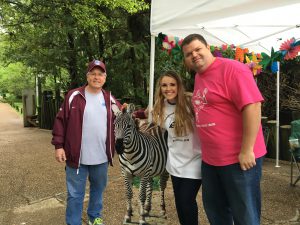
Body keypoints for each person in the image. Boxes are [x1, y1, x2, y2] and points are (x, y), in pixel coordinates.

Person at [181, 34, 267, 225]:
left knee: (245, 216)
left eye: (197, 49)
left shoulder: (233, 69)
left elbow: (252, 106)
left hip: (239, 160)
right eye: (189, 54)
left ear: (208, 48)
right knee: (217, 213)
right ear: (186, 60)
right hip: (211, 161)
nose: (194, 55)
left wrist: (247, 150)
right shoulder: (199, 76)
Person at [51, 59, 121, 225]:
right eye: (93, 74)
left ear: (105, 77)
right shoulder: (74, 96)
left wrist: (142, 114)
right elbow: (60, 121)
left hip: (101, 157)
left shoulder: (110, 98)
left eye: (100, 74)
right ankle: (73, 222)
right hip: (76, 157)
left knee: (98, 190)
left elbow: (123, 116)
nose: (97, 77)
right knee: (75, 194)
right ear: (87, 76)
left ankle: (94, 217)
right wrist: (59, 146)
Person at [136, 71, 202, 225]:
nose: (168, 88)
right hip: (175, 163)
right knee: (180, 203)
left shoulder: (191, 102)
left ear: (179, 86)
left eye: (172, 84)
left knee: (186, 201)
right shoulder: (159, 107)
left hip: (195, 161)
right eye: (164, 85)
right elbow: (145, 116)